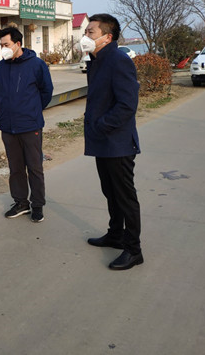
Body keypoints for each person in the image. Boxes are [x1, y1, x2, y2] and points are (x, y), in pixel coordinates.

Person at [81, 14, 143, 271]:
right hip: (102, 141)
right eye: (85, 31)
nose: (85, 36)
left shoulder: (118, 60)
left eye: (91, 32)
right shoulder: (96, 61)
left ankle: (133, 250)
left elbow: (127, 104)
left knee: (125, 196)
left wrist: (101, 125)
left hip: (117, 142)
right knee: (110, 192)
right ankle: (115, 234)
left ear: (107, 37)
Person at [0, 26, 53, 222]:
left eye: (6, 44)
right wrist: (3, 116)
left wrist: (32, 111)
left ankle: (37, 205)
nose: (3, 49)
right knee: (16, 168)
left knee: (35, 168)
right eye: (1, 45)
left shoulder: (36, 65)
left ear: (18, 44)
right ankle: (21, 203)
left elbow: (46, 92)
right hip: (8, 128)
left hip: (30, 126)